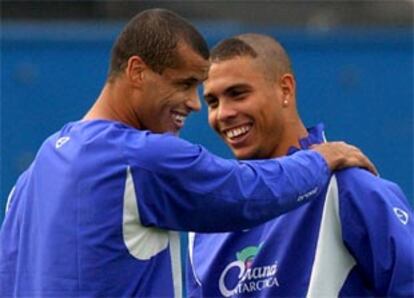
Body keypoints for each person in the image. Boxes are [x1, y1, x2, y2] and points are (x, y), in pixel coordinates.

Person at [0, 10, 376, 297]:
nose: (194, 104)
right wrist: (320, 158)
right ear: (137, 72)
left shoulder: (31, 178)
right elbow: (247, 192)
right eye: (185, 84)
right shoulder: (141, 158)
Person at [187, 34, 414, 297]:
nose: (223, 113)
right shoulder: (206, 219)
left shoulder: (346, 187)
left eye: (238, 94)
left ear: (285, 89)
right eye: (212, 102)